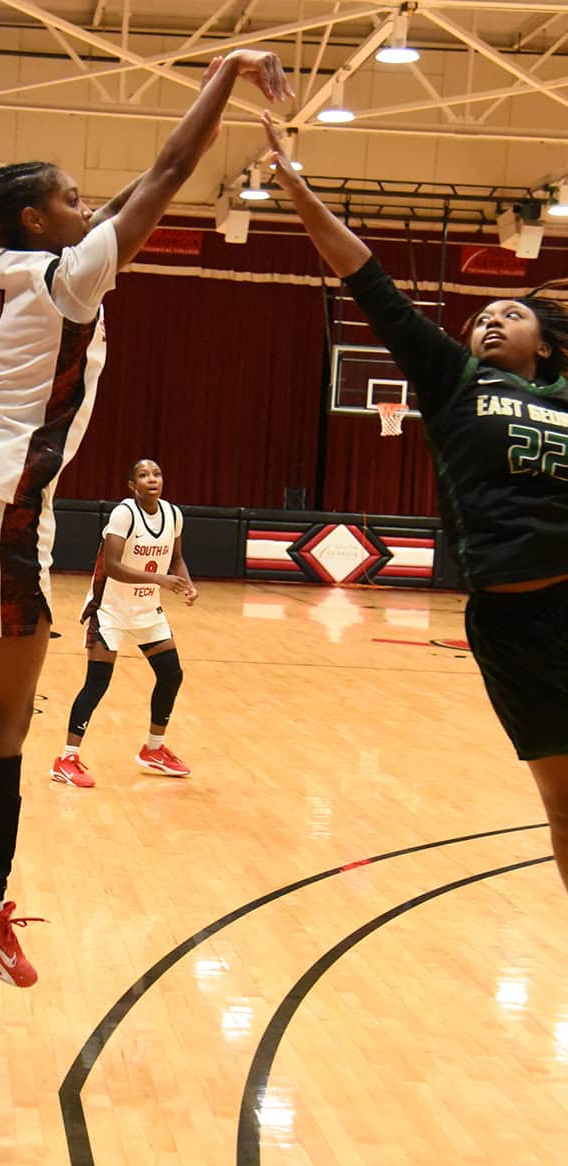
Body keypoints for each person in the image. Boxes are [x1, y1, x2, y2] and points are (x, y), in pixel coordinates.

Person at [0, 52, 293, 989]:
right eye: (71, 198)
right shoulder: (65, 281)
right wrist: (229, 71)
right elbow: (162, 175)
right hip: (1, 508)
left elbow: (117, 204)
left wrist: (96, 205)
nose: (89, 207)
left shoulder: (2, 268)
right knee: (6, 724)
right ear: (38, 219)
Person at [262, 111, 568, 894]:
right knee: (562, 809)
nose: (490, 319)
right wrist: (297, 189)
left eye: (511, 314)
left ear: (546, 345)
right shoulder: (455, 381)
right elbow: (369, 281)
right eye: (479, 318)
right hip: (512, 622)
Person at [51, 459, 196, 788]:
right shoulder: (124, 514)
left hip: (146, 610)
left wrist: (186, 583)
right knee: (98, 682)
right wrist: (160, 578)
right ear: (132, 486)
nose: (152, 479)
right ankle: (66, 758)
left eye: (157, 474)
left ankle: (154, 749)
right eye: (143, 475)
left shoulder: (173, 515)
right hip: (111, 610)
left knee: (171, 674)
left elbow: (176, 559)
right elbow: (113, 566)